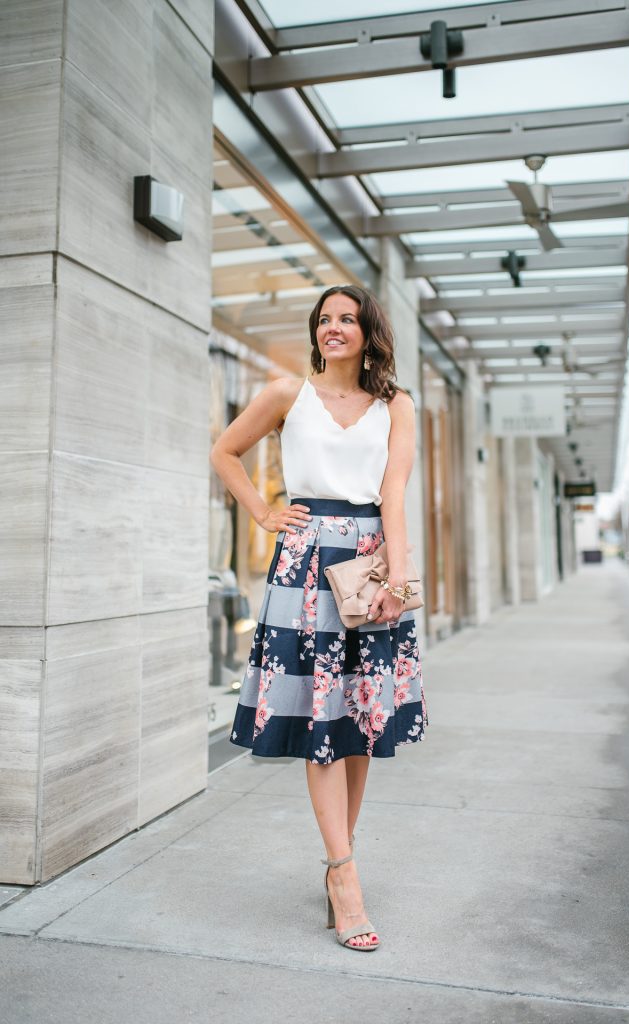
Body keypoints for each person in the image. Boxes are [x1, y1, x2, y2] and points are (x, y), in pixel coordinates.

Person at [209, 284, 428, 952]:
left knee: (359, 719)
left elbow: (393, 494)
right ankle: (343, 873)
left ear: (369, 332)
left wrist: (400, 574)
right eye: (325, 319)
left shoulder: (397, 405)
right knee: (320, 722)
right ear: (315, 332)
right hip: (304, 570)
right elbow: (224, 453)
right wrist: (264, 512)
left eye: (348, 319)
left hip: (366, 564)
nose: (335, 327)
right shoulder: (285, 393)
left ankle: (342, 852)